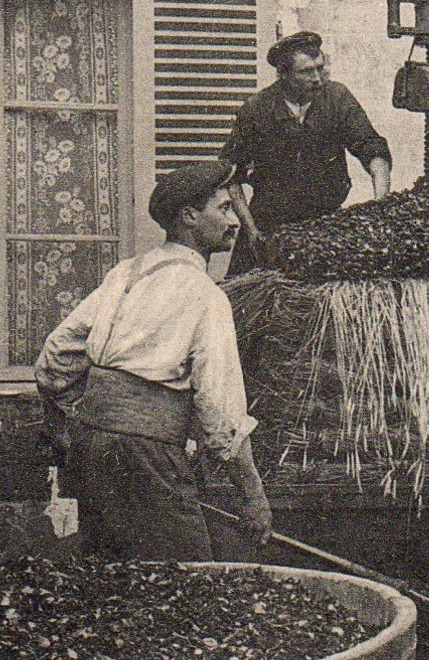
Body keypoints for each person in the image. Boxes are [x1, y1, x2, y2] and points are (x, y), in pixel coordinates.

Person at [36, 161, 273, 561]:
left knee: (112, 578)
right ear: (189, 216)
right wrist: (253, 496)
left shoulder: (127, 274)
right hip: (145, 459)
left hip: (92, 448)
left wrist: (70, 429)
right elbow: (220, 409)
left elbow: (55, 360)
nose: (235, 221)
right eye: (224, 209)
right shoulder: (204, 294)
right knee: (184, 581)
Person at [219, 30, 392, 275]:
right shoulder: (256, 109)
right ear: (283, 74)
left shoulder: (337, 98)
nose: (318, 78)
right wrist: (252, 231)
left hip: (326, 226)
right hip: (269, 229)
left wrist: (380, 205)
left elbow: (372, 150)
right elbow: (231, 174)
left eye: (320, 68)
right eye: (306, 72)